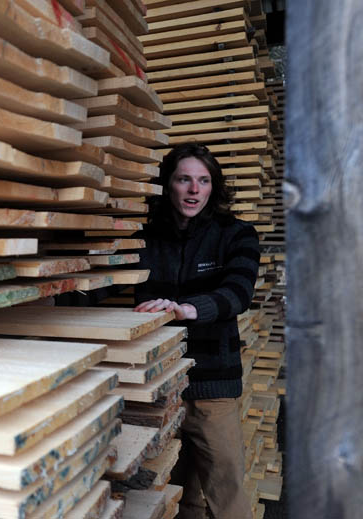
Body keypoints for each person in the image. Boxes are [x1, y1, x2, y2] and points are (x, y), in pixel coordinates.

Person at [133, 143, 259, 519]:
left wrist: (189, 308)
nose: (193, 190)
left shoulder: (236, 234)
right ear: (167, 185)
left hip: (211, 388)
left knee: (227, 492)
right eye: (184, 179)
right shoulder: (146, 238)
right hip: (157, 384)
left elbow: (239, 292)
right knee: (174, 493)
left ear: (213, 187)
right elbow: (106, 286)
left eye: (203, 181)